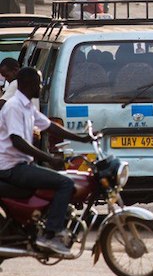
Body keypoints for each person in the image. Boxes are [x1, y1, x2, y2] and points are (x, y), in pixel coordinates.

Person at [0, 68, 94, 255]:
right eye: (39, 83)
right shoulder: (13, 107)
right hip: (11, 168)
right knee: (65, 183)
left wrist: (83, 139)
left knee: (61, 180)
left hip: (21, 165)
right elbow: (17, 142)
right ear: (28, 84)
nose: (42, 87)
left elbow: (49, 126)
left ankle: (46, 224)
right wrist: (49, 158)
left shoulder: (27, 106)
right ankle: (50, 235)